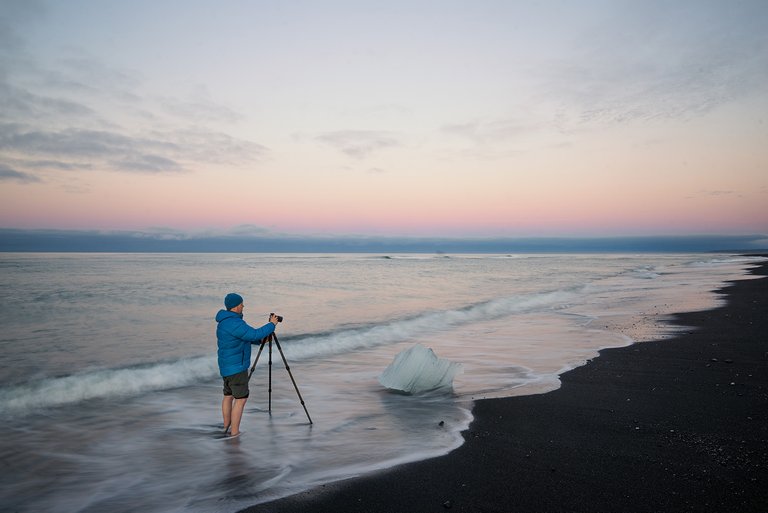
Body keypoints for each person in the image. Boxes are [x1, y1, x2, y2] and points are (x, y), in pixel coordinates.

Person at [216, 292, 280, 437]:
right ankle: (234, 433)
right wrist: (271, 324)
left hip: (226, 367)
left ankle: (226, 426)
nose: (243, 306)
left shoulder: (225, 322)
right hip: (237, 368)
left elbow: (246, 338)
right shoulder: (235, 323)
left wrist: (264, 339)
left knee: (228, 395)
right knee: (241, 399)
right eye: (241, 304)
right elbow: (253, 334)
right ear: (235, 306)